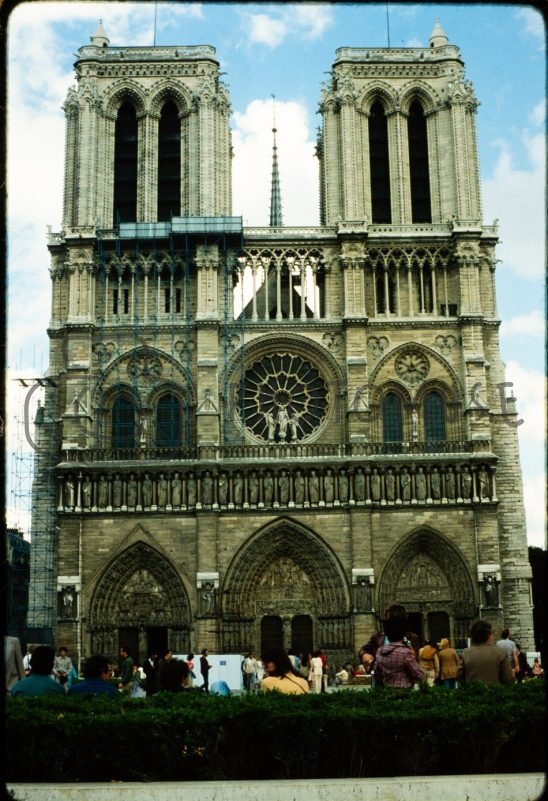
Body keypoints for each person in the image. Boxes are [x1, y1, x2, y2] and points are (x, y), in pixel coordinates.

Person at [374, 614, 426, 690]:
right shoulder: (405, 653)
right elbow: (420, 676)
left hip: (387, 691)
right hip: (404, 692)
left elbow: (377, 673)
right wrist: (413, 657)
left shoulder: (380, 652)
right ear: (403, 633)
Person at [458, 619, 515, 685]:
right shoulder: (500, 653)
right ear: (489, 636)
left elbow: (460, 677)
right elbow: (509, 679)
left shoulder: (466, 654)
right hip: (496, 693)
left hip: (473, 693)